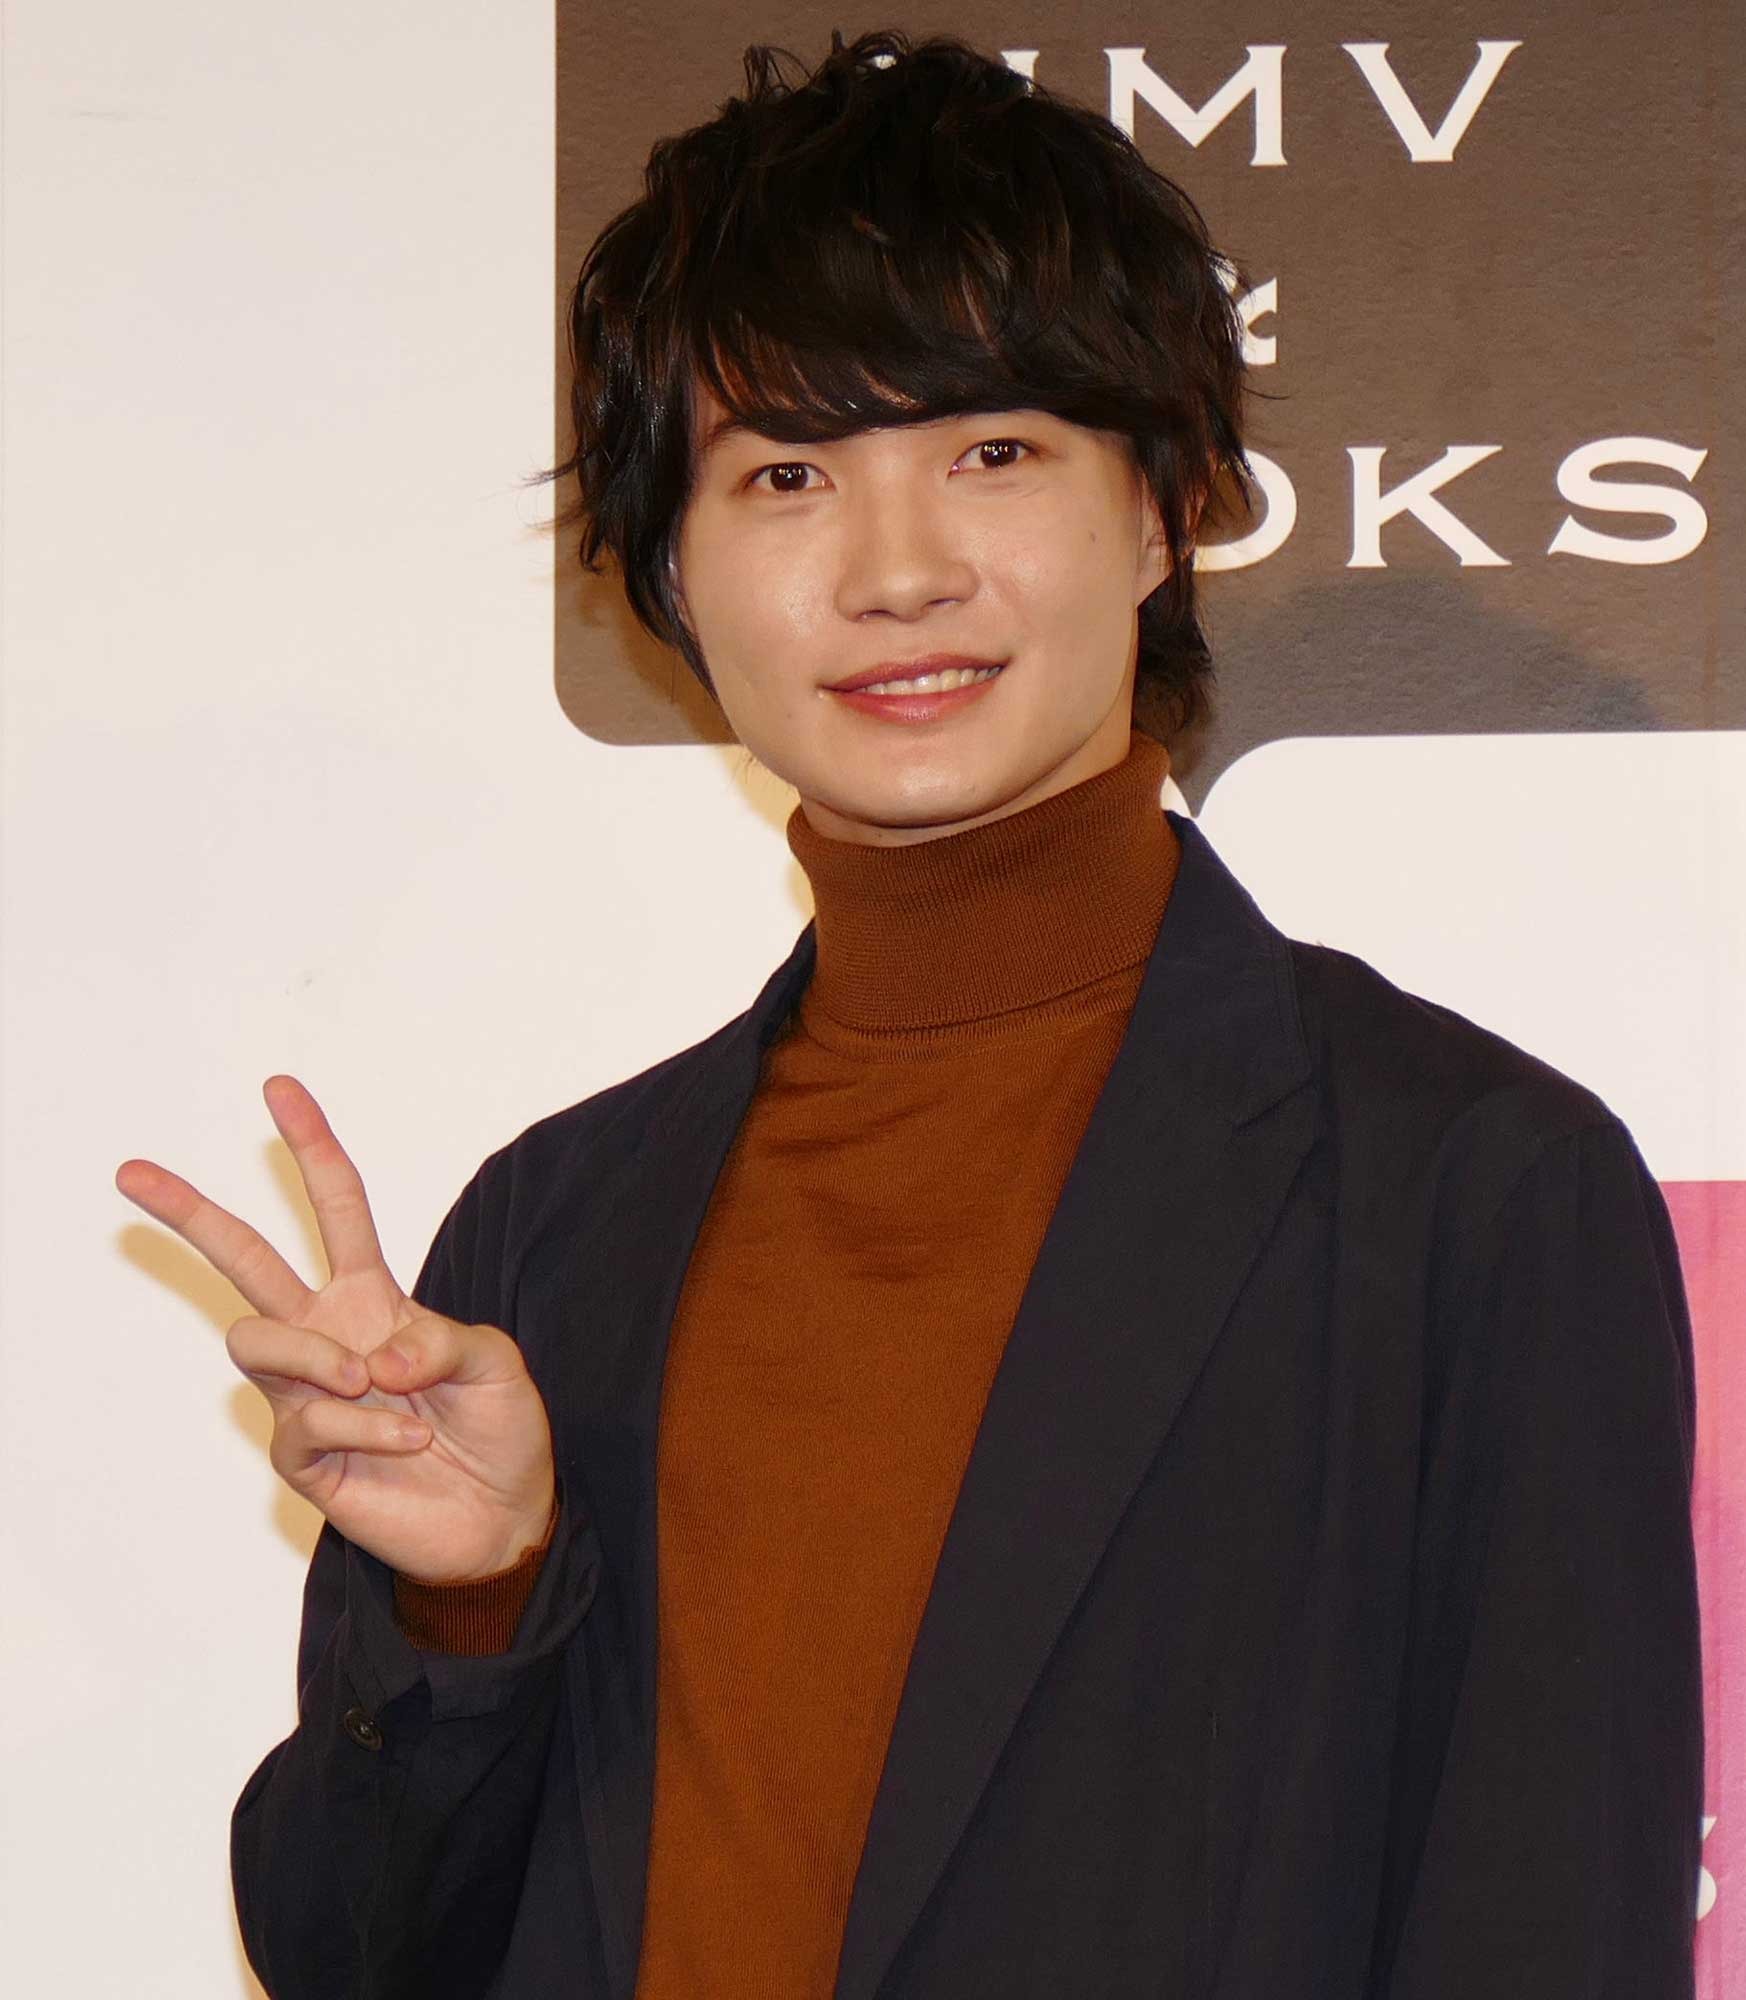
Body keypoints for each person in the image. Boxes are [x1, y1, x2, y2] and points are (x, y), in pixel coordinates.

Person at [116, 27, 1704, 2000]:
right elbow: (356, 1960)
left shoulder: (1463, 1189)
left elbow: (1547, 1926)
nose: (895, 570)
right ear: (671, 575)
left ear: (1165, 509)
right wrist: (471, 1611)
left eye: (992, 452)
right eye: (786, 474)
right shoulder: (552, 1230)